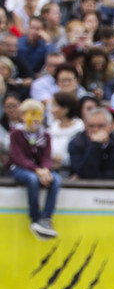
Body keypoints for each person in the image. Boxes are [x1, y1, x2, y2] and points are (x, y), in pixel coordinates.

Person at [8, 98, 61, 238]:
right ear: (23, 116)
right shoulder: (16, 134)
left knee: (56, 180)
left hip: (40, 169)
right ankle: (35, 218)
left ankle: (46, 218)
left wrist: (45, 169)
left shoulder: (45, 135)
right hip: (20, 168)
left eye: (39, 114)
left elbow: (47, 156)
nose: (36, 118)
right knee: (32, 180)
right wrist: (37, 170)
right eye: (32, 114)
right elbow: (17, 157)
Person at [68, 106, 114, 180]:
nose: (95, 129)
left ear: (109, 127)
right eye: (91, 126)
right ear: (86, 127)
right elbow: (86, 173)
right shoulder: (76, 143)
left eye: (100, 126)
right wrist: (95, 144)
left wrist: (98, 176)